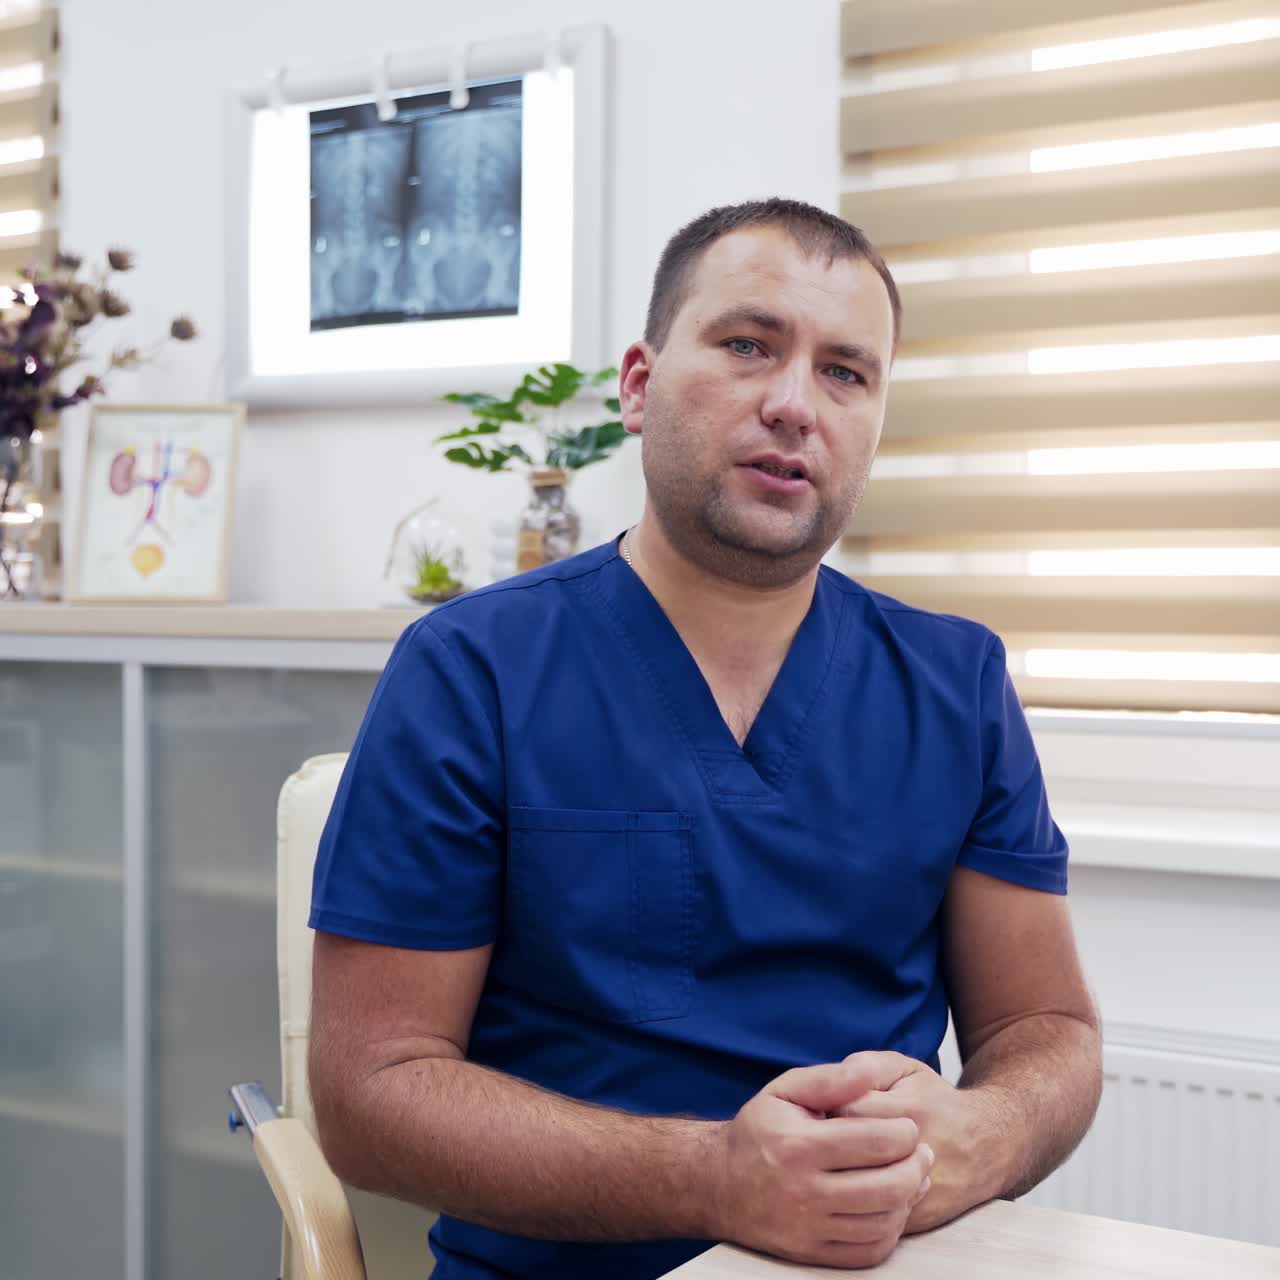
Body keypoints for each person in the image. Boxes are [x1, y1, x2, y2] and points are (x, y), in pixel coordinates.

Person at [308, 198, 1103, 1280]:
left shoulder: (954, 682)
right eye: (746, 346)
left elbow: (1046, 1027)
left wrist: (985, 1134)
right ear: (638, 386)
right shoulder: (471, 670)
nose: (793, 405)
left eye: (845, 372)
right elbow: (370, 1094)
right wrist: (715, 1178)